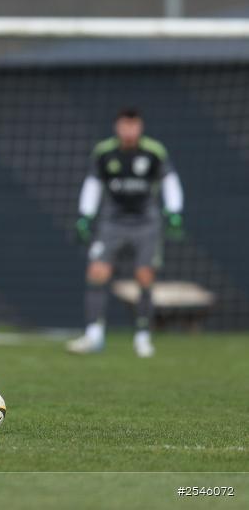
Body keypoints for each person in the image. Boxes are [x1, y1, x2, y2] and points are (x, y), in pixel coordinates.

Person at [67, 108, 184, 358]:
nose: (129, 131)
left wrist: (174, 211)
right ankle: (94, 334)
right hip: (113, 222)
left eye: (134, 126)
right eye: (125, 125)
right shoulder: (104, 152)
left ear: (140, 127)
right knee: (97, 272)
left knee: (144, 275)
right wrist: (85, 215)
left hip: (146, 222)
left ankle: (143, 336)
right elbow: (93, 183)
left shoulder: (154, 151)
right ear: (117, 127)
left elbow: (170, 180)